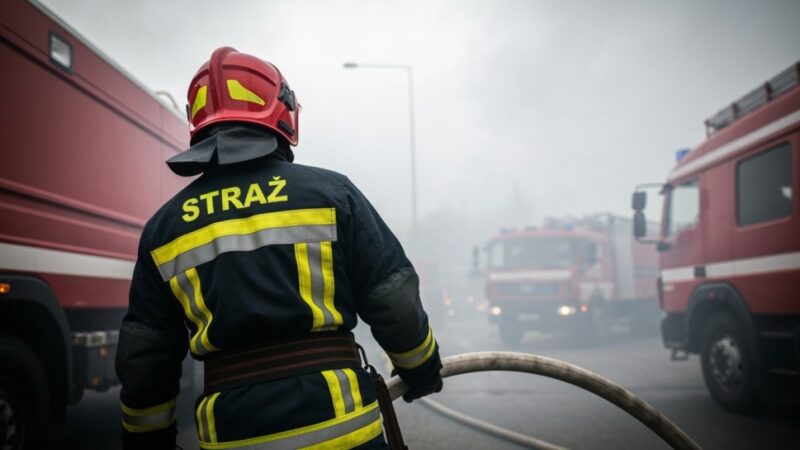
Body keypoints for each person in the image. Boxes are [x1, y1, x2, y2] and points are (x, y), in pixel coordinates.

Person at [114, 47, 443, 450]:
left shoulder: (164, 229)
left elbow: (145, 356)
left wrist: (146, 441)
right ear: (283, 111)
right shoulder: (332, 194)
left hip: (232, 436)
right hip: (344, 429)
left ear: (196, 120)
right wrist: (420, 368)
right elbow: (392, 298)